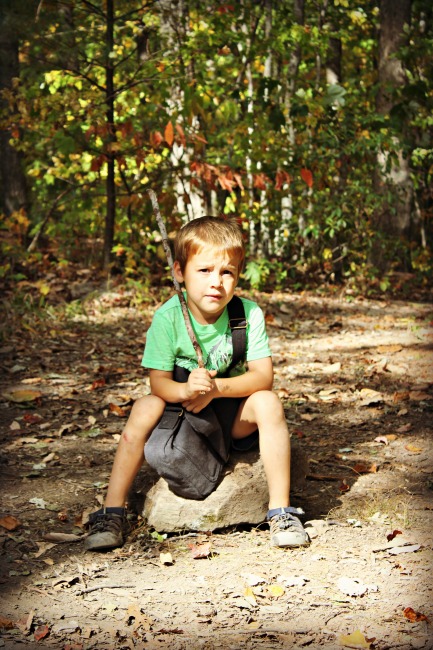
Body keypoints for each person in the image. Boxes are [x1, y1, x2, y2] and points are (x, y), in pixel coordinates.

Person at [84, 216, 309, 551]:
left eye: (227, 272)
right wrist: (187, 391)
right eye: (204, 271)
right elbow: (158, 383)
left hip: (232, 415)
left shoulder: (247, 315)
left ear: (237, 275)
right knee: (145, 405)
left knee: (269, 402)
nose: (215, 282)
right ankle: (113, 510)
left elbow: (263, 377)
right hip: (183, 413)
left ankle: (281, 511)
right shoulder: (169, 316)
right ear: (179, 272)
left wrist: (216, 390)